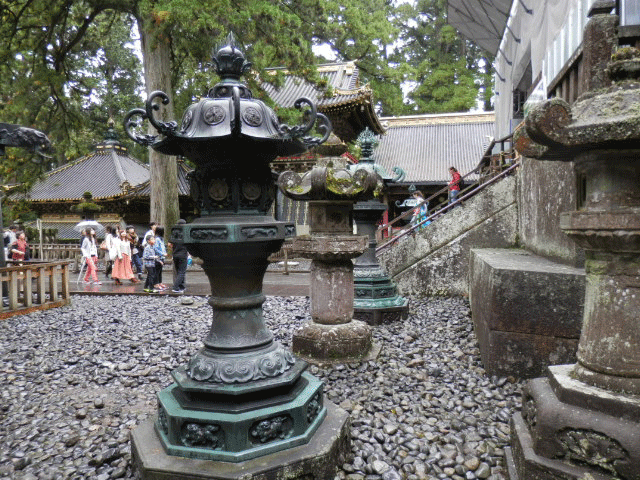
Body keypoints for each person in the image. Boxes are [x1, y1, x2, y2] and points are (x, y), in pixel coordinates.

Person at [169, 219, 188, 293]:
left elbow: (169, 244)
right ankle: (175, 287)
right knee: (182, 272)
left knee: (178, 271)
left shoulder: (173, 233)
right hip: (183, 254)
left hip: (175, 254)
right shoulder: (185, 233)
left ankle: (181, 286)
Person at [153, 226, 167, 290]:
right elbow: (156, 248)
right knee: (157, 271)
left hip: (162, 257)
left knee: (160, 271)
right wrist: (162, 253)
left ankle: (160, 282)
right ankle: (156, 283)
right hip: (158, 257)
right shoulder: (157, 239)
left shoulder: (161, 239)